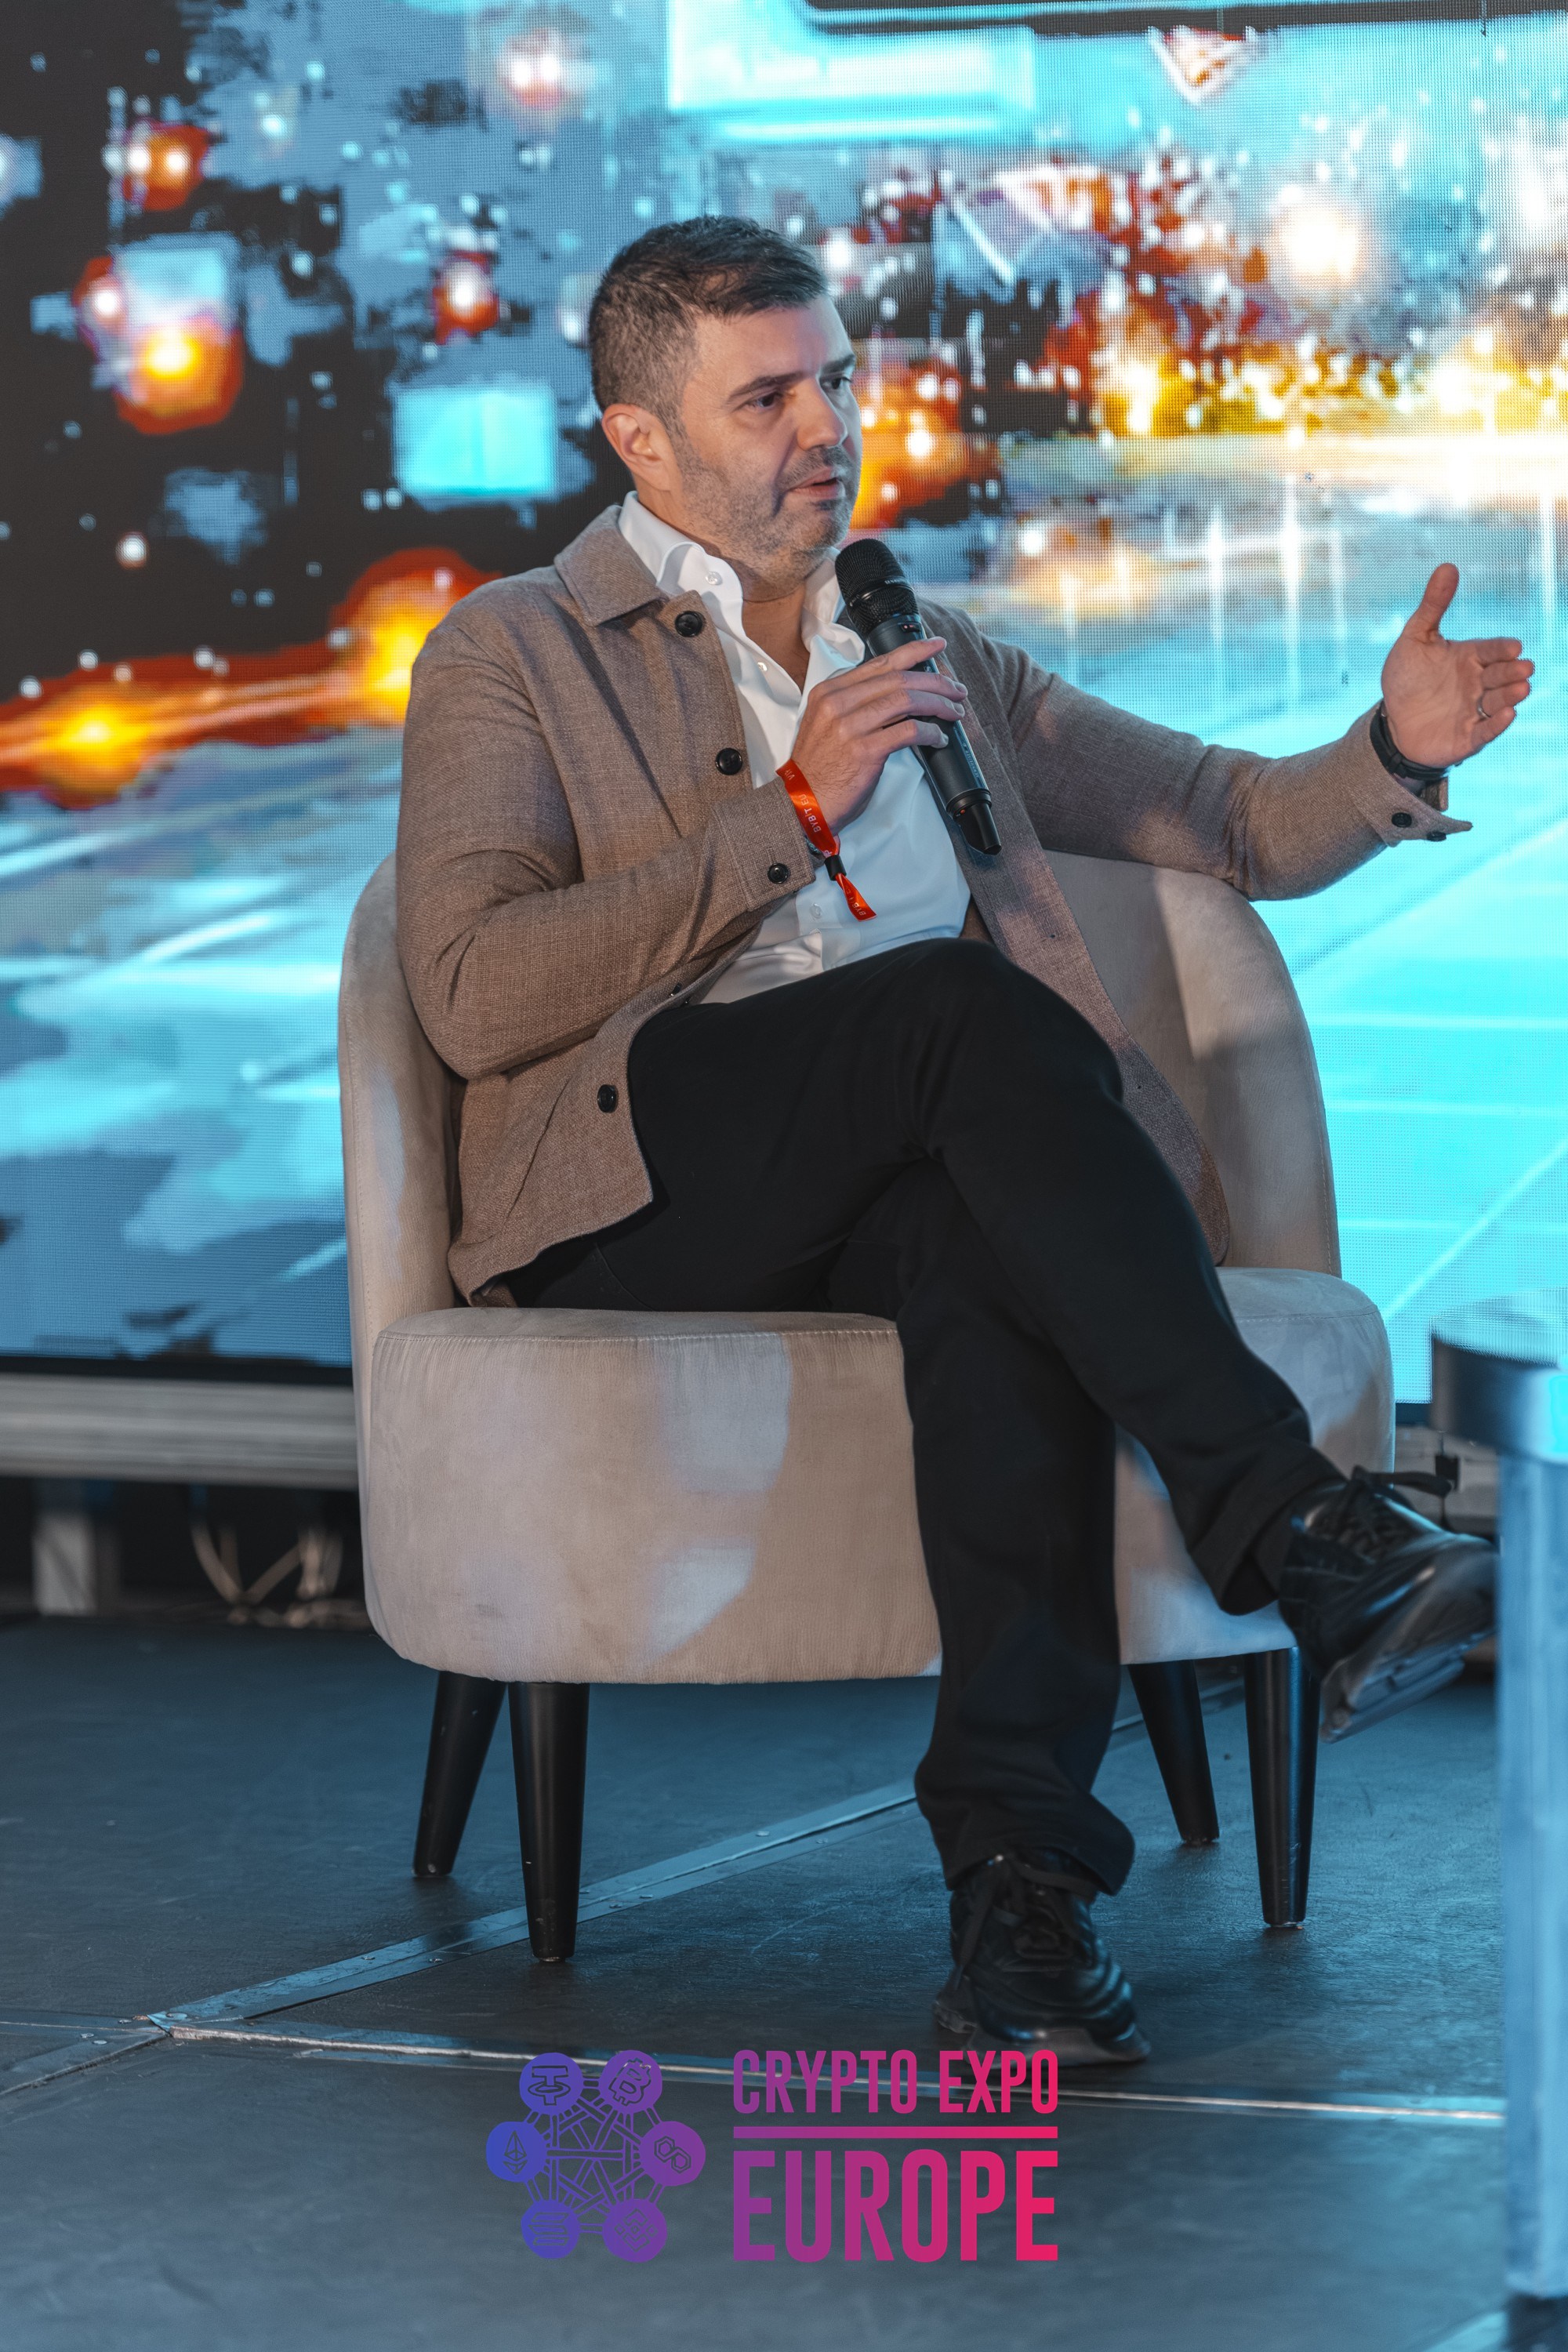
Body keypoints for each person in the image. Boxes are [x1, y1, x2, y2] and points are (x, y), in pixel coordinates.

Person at [396, 219, 1533, 2065]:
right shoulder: (514, 652)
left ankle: (1023, 1903)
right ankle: (1291, 1522)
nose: (826, 427)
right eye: (766, 398)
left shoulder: (921, 647)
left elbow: (1227, 819)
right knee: (951, 1010)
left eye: (836, 380)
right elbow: (467, 992)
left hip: (905, 1158)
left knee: (982, 1251)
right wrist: (787, 816)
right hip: (637, 1181)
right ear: (640, 439)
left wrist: (1392, 752)